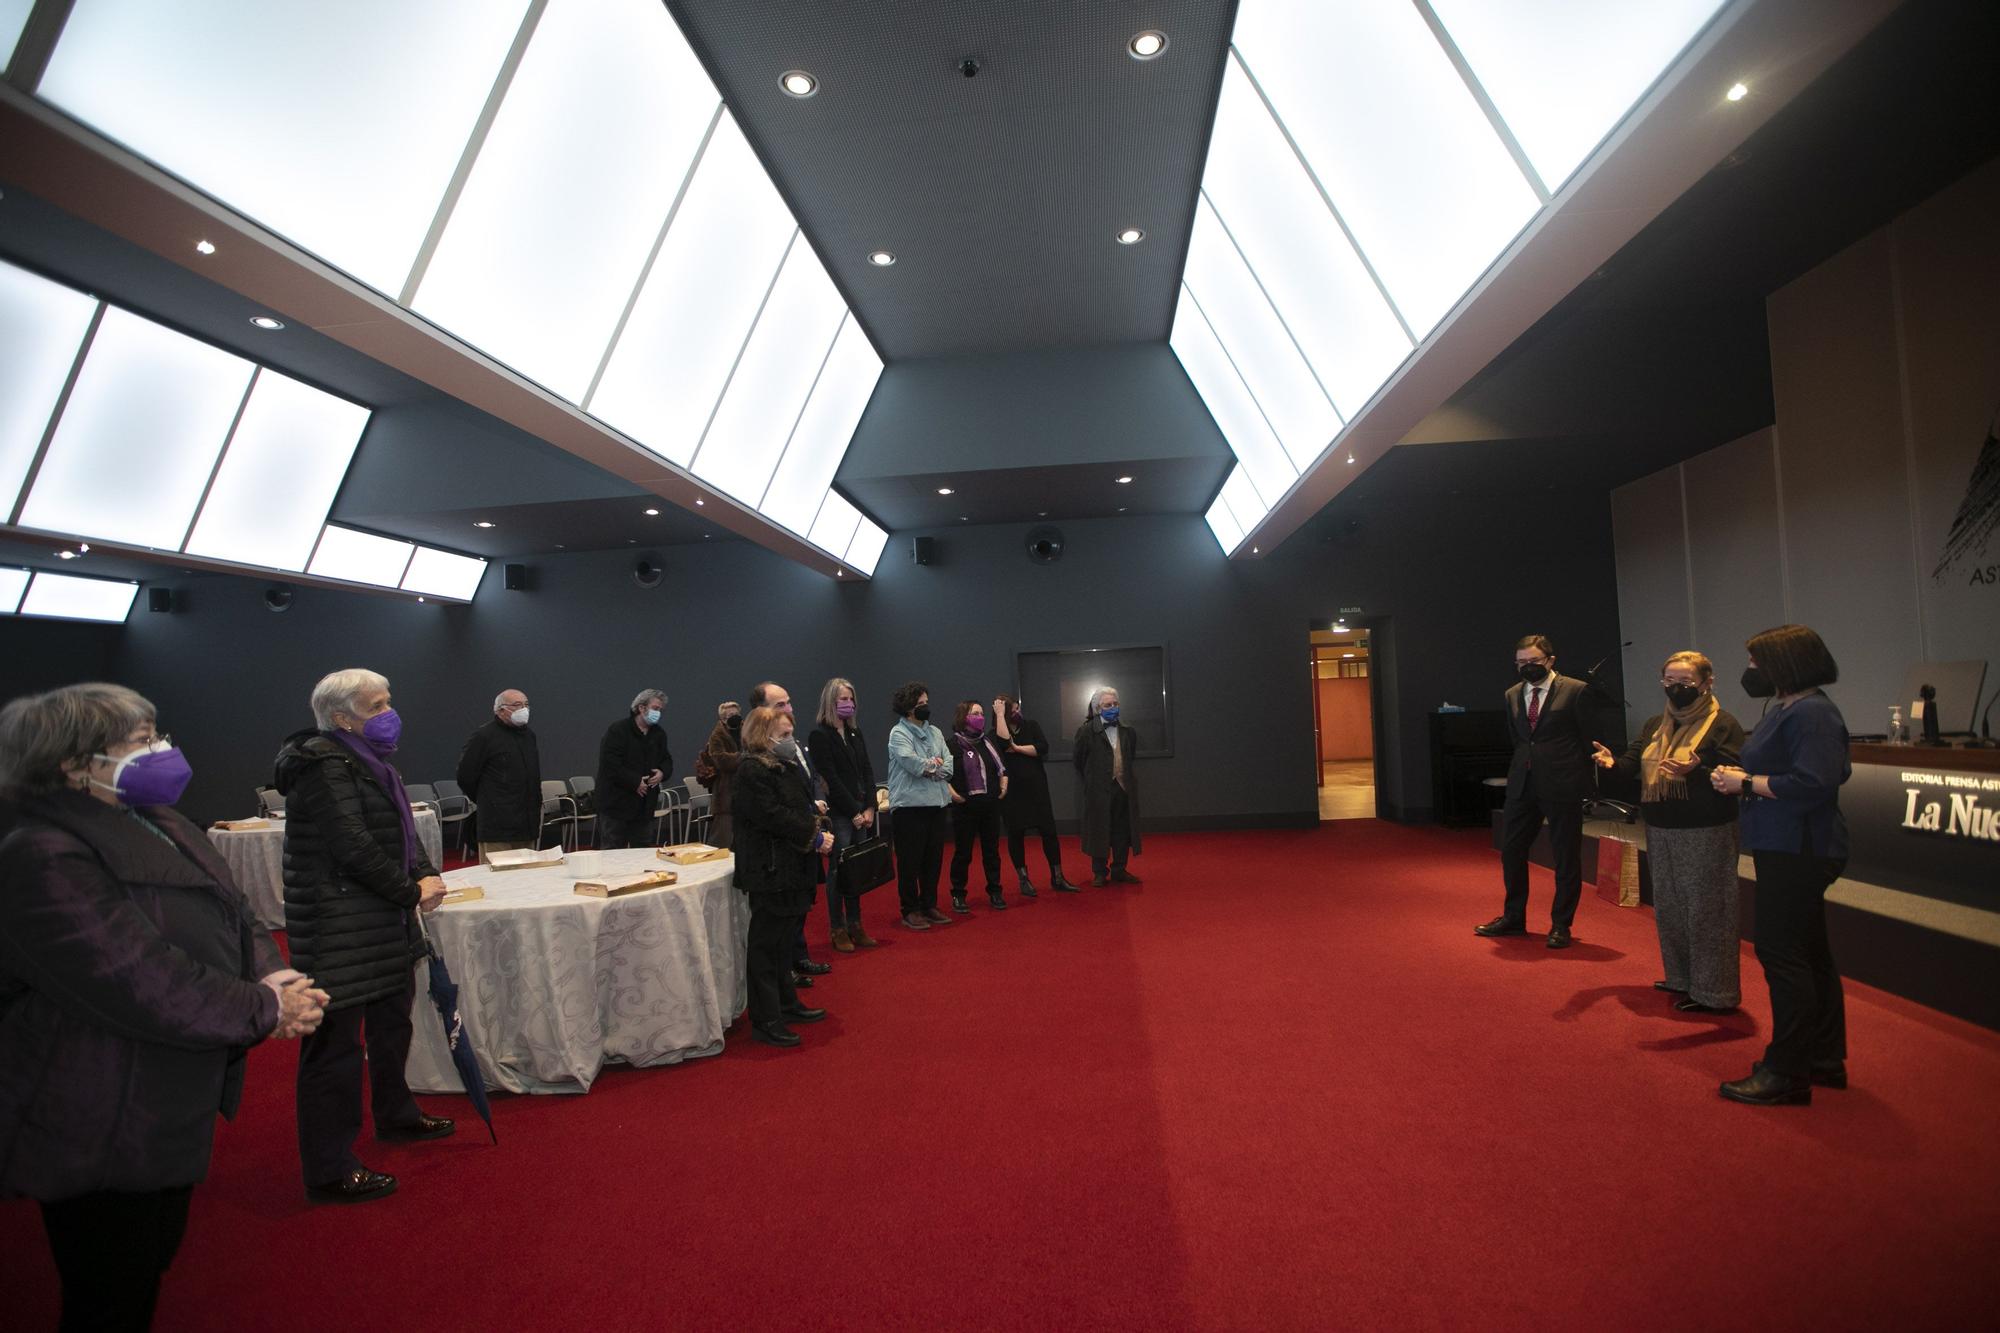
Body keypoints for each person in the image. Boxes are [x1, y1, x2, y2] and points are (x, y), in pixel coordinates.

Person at [0, 683, 326, 1329]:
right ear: (73, 762)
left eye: (157, 734)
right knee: (109, 1284)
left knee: (150, 1256)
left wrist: (275, 972)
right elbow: (131, 974)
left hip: (164, 1085)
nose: (162, 750)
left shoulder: (156, 817)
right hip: (95, 1096)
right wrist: (264, 1007)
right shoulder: (39, 851)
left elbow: (232, 910)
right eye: (140, 740)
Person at [275, 669, 453, 1205]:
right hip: (339, 926)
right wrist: (408, 890)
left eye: (387, 701)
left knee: (391, 1025)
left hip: (381, 921)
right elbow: (351, 844)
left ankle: (396, 1113)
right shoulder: (322, 765)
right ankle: (329, 1167)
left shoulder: (371, 763)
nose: (389, 713)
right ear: (341, 717)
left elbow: (401, 832)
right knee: (335, 1050)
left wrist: (423, 875)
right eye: (376, 706)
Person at [1710, 624, 1853, 1107]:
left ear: (1784, 665)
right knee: (1810, 954)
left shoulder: (1811, 714)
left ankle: (1787, 1070)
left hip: (1800, 849)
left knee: (1782, 954)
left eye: (1756, 663)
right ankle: (1821, 1058)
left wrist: (1746, 784)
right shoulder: (1790, 708)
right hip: (1785, 845)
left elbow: (1816, 781)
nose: (1750, 672)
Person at [1592, 652, 1747, 1012]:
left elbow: (1733, 770)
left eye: (1685, 683)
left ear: (1707, 684)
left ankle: (1714, 993)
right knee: (1671, 907)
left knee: (1708, 910)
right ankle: (1680, 978)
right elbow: (1633, 761)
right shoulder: (1654, 725)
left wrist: (1697, 768)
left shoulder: (1722, 724)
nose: (1676, 689)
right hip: (1661, 827)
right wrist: (1612, 763)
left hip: (1706, 828)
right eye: (1669, 682)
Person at [1476, 635, 1601, 948]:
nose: (1528, 667)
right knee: (1512, 851)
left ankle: (1561, 924)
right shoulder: (1512, 694)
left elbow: (1588, 738)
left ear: (1551, 660)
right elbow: (1519, 739)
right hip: (1523, 782)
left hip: (1562, 783)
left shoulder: (1576, 690)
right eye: (1522, 663)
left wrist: (1583, 780)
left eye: (1534, 662)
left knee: (1565, 856)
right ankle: (1513, 918)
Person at [731, 705, 833, 1047]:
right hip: (769, 868)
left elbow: (799, 806)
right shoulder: (751, 769)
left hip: (790, 865)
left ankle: (787, 1005)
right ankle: (765, 1019)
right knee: (765, 945)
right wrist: (814, 835)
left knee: (783, 941)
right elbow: (773, 815)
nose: (791, 741)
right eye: (784, 735)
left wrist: (815, 822)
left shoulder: (783, 765)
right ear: (764, 736)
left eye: (791, 734)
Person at [751, 681, 831, 984]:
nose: (789, 709)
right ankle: (787, 969)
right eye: (780, 705)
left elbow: (806, 780)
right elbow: (774, 808)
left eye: (788, 702)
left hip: (804, 833)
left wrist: (814, 802)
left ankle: (798, 957)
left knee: (802, 902)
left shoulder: (792, 742)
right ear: (761, 713)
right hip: (782, 847)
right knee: (782, 914)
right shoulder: (758, 758)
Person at [809, 677, 880, 952]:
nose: (848, 704)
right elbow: (831, 779)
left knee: (856, 870)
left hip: (863, 810)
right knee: (838, 872)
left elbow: (867, 770)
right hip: (841, 813)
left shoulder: (855, 733)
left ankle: (856, 924)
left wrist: (871, 806)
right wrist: (853, 812)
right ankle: (837, 928)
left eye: (851, 699)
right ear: (830, 702)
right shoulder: (820, 736)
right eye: (843, 699)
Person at [887, 681, 954, 930]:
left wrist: (933, 766)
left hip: (936, 804)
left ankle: (929, 905)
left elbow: (949, 765)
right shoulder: (899, 733)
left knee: (933, 860)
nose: (926, 707)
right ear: (909, 708)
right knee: (910, 861)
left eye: (927, 702)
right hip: (909, 807)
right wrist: (933, 765)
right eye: (921, 704)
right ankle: (910, 909)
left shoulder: (935, 732)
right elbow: (913, 764)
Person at [994, 692, 1073, 894]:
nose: (1018, 713)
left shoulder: (1032, 725)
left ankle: (1057, 877)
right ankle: (1024, 880)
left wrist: (1017, 748)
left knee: (1049, 831)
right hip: (1012, 792)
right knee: (1016, 833)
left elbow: (1042, 748)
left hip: (1037, 787)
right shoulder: (994, 732)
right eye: (1013, 711)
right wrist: (1000, 717)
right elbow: (1003, 744)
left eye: (1018, 709)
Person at [455, 687, 542, 863]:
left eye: (526, 704)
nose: (523, 709)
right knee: (498, 878)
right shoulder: (484, 736)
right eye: (517, 705)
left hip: (527, 821)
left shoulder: (528, 736)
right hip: (497, 824)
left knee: (529, 877)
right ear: (501, 710)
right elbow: (465, 776)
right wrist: (490, 799)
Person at [1074, 687, 1142, 886]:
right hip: (1098, 790)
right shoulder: (1086, 731)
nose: (1112, 708)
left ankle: (1119, 869)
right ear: (1097, 708)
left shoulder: (1128, 730)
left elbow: (1131, 757)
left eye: (1115, 704)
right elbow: (1079, 761)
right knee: (1099, 829)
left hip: (1123, 787)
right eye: (1107, 705)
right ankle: (1099, 872)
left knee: (1122, 829)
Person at [947, 699, 1010, 912]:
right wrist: (955, 796)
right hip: (965, 807)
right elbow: (944, 776)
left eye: (982, 713)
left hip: (990, 805)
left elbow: (1001, 767)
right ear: (963, 717)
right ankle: (958, 894)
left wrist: (1003, 785)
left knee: (991, 851)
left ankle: (995, 891)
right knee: (963, 853)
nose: (980, 717)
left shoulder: (988, 742)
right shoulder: (952, 744)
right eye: (975, 713)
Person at [595, 687, 672, 849]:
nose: (658, 713)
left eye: (660, 710)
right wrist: (635, 781)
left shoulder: (658, 734)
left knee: (642, 851)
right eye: (655, 709)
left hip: (644, 807)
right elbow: (610, 763)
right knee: (613, 851)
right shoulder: (618, 730)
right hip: (616, 804)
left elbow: (666, 759)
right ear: (641, 708)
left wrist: (662, 772)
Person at [699, 700, 742, 847]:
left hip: (745, 791)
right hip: (725, 794)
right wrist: (744, 756)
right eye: (730, 715)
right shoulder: (716, 736)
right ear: (722, 719)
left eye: (736, 714)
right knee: (723, 842)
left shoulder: (747, 732)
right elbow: (721, 761)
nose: (734, 717)